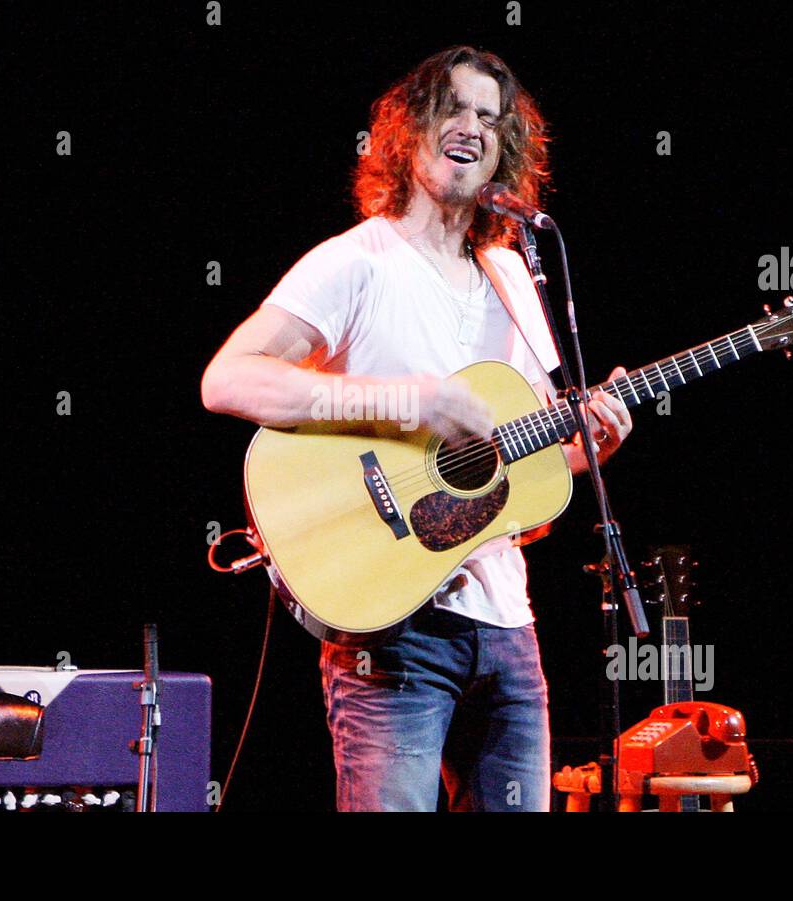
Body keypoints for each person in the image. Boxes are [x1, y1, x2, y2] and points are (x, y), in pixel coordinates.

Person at [201, 45, 632, 811]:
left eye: (491, 119)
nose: (472, 127)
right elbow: (228, 379)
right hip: (391, 633)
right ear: (410, 130)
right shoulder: (356, 263)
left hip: (506, 628)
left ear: (508, 151)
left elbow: (516, 478)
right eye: (454, 108)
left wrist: (584, 447)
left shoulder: (513, 280)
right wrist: (409, 401)